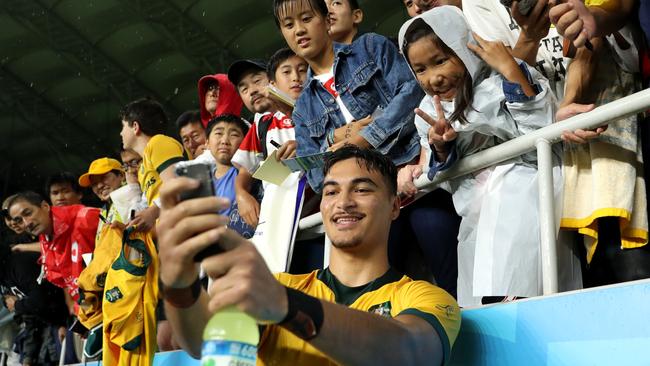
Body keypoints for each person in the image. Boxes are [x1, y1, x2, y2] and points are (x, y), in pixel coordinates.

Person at [157, 146, 461, 365]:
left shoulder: (426, 298)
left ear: (395, 206)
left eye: (362, 190)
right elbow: (205, 342)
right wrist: (179, 285)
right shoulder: (279, 286)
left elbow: (409, 353)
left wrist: (286, 305)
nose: (343, 202)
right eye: (330, 192)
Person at [398, 6, 572, 306]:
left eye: (441, 60)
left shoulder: (505, 79)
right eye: (421, 69)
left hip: (525, 197)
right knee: (487, 308)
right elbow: (443, 178)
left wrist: (512, 71)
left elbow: (543, 132)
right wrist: (441, 146)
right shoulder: (427, 113)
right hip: (476, 220)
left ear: (463, 49)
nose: (434, 78)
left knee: (527, 293)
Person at [274, 0, 424, 193]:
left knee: (431, 222)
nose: (299, 30)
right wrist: (333, 139)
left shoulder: (370, 47)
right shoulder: (302, 108)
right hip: (363, 197)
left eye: (306, 18)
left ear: (327, 20)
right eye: (289, 25)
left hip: (412, 171)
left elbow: (412, 93)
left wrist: (363, 139)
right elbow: (317, 178)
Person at [229, 55, 304, 228]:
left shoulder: (311, 105)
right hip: (281, 222)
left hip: (319, 213)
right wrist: (241, 195)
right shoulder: (260, 124)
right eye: (244, 89)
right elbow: (245, 171)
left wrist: (305, 146)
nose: (252, 91)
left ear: (275, 80)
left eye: (257, 81)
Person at [6, 191, 99, 307]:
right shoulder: (45, 240)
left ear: (45, 206)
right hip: (93, 307)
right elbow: (68, 282)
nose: (27, 223)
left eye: (28, 213)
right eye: (19, 220)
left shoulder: (85, 217)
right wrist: (78, 306)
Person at [119, 98, 186, 233]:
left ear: (135, 127)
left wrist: (153, 211)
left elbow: (178, 185)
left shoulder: (158, 142)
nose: (121, 133)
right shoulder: (144, 166)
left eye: (123, 127)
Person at [204, 114, 253, 237]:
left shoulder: (248, 172)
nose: (225, 141)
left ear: (244, 142)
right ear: (207, 143)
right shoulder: (202, 183)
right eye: (219, 133)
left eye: (234, 135)